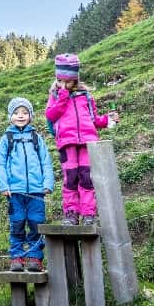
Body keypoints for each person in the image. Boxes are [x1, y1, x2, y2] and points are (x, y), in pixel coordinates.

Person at [45, 53, 119, 226]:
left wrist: (108, 120)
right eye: (60, 81)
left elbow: (93, 119)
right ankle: (71, 214)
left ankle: (88, 214)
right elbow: (51, 114)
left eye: (68, 81)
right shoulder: (55, 96)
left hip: (87, 142)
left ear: (75, 79)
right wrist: (62, 96)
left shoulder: (85, 95)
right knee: (70, 178)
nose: (64, 84)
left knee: (87, 177)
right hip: (67, 143)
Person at [0, 97, 54, 272]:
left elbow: (46, 162)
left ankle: (35, 258)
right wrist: (4, 186)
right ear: (10, 116)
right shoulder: (7, 138)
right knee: (17, 224)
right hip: (15, 192)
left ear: (30, 116)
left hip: (37, 192)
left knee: (37, 223)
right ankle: (17, 257)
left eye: (25, 113)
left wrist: (47, 183)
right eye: (16, 113)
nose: (20, 116)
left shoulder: (36, 137)